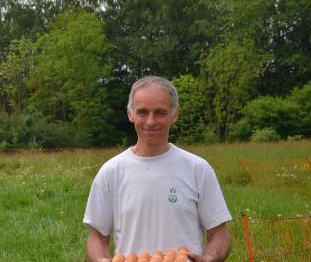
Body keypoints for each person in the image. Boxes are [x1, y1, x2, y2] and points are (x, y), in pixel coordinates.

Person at [83, 76, 232, 262]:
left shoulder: (197, 169)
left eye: (160, 113)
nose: (151, 121)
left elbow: (219, 234)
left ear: (174, 114)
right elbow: (98, 236)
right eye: (142, 112)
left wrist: (208, 259)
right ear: (130, 114)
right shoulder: (111, 171)